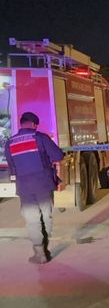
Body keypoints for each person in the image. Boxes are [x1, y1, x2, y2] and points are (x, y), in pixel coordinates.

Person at [4, 112, 64, 264]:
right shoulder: (40, 137)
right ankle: (46, 248)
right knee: (46, 216)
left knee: (32, 220)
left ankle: (39, 253)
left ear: (21, 123)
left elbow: (12, 167)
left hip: (24, 186)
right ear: (34, 124)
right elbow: (58, 156)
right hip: (43, 184)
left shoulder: (9, 143)